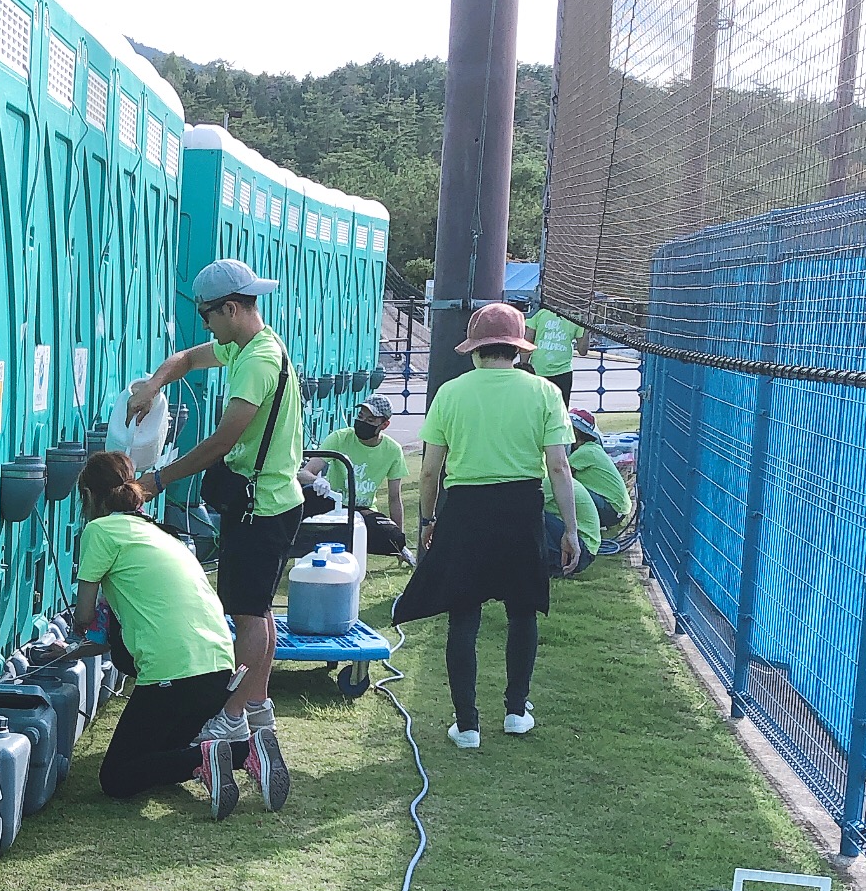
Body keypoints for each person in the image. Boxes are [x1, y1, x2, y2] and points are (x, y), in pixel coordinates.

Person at [119, 258, 305, 811]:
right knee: (258, 611)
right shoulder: (243, 347)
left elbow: (223, 441)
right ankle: (255, 708)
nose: (205, 327)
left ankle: (229, 720)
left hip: (260, 506)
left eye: (207, 315)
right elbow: (186, 359)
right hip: (269, 502)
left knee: (247, 614)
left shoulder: (256, 361)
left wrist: (154, 480)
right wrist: (152, 384)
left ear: (231, 308)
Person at [395, 302, 581, 749]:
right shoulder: (544, 393)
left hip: (465, 508)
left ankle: (468, 725)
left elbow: (428, 470)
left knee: (464, 613)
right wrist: (571, 529)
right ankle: (517, 711)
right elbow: (559, 467)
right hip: (521, 507)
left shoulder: (451, 392)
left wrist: (427, 519)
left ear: (475, 349)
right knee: (523, 610)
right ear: (518, 349)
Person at [71, 451, 244, 820]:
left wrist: (74, 631)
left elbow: (85, 616)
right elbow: (119, 633)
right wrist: (69, 654)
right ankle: (246, 751)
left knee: (116, 777)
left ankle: (208, 756)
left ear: (88, 497)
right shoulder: (157, 531)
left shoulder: (99, 531)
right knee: (158, 756)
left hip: (174, 672)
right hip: (218, 669)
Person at [302, 394, 410, 559]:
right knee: (306, 497)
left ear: (384, 424)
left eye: (370, 420)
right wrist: (317, 481)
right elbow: (304, 473)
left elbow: (394, 498)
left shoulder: (393, 450)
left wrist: (400, 542)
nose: (362, 422)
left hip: (363, 510)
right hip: (332, 503)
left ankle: (342, 540)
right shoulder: (340, 438)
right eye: (360, 416)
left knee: (393, 539)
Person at [566, 408, 630, 530]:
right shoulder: (592, 448)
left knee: (567, 490)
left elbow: (559, 473)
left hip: (611, 511)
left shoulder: (585, 452)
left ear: (576, 432)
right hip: (617, 510)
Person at [524, 304, 590, 408]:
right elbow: (528, 341)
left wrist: (587, 329)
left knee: (560, 411)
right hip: (538, 371)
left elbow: (582, 351)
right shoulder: (540, 311)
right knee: (536, 409)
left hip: (563, 372)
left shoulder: (577, 317)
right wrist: (524, 365)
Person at [545, 469, 602, 577]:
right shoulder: (564, 481)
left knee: (529, 513)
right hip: (585, 551)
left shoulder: (550, 483)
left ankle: (554, 566)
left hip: (578, 550)